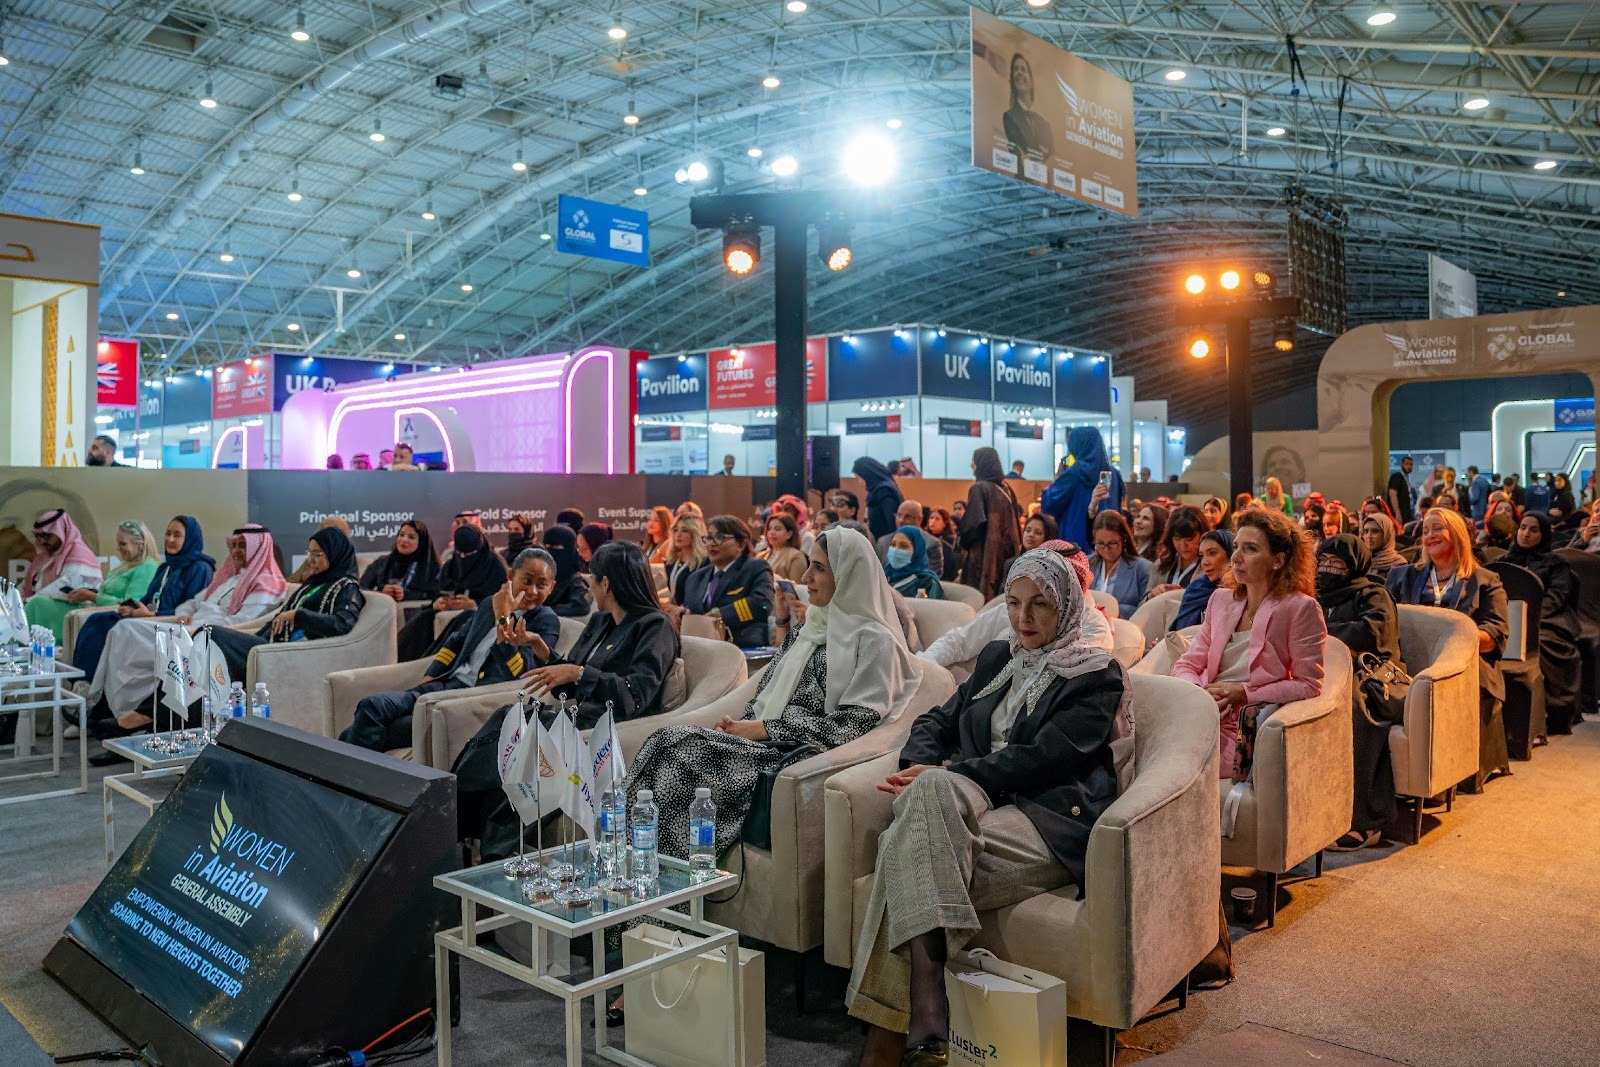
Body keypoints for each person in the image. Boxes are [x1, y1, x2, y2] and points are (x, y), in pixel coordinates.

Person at [847, 550, 1126, 1065]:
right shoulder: (999, 658)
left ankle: (890, 1036)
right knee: (928, 800)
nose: (1024, 618)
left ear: (1066, 606)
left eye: (1041, 604)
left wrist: (950, 774)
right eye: (1014, 603)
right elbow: (937, 720)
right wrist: (919, 767)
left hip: (1043, 819)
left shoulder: (1096, 673)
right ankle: (926, 1003)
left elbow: (1046, 760)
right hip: (968, 808)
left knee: (903, 852)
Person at [626, 527, 918, 867]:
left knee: (679, 749)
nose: (806, 576)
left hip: (796, 754)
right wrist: (740, 725)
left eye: (820, 568)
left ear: (850, 574)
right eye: (810, 564)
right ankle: (632, 875)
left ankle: (666, 887)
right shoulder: (814, 626)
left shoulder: (874, 640)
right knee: (663, 742)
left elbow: (857, 721)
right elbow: (770, 688)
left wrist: (765, 729)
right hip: (762, 741)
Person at [454, 542, 680, 857]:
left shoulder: (655, 626)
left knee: (529, 752)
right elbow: (570, 688)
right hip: (572, 719)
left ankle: (470, 828)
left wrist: (578, 673)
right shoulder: (601, 621)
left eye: (593, 578)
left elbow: (635, 695)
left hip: (605, 733)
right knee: (510, 718)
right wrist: (541, 650)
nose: (589, 586)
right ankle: (456, 810)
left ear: (607, 584)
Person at [341, 548, 563, 754]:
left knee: (355, 732)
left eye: (541, 585)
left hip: (471, 700)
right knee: (372, 706)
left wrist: (503, 617)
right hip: (444, 684)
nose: (533, 591)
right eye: (527, 581)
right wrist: (432, 673)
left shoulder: (545, 621)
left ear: (551, 587)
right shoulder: (489, 604)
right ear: (510, 576)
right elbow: (457, 641)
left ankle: (352, 785)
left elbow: (519, 672)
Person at [88, 526, 286, 742]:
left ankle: (133, 718)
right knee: (123, 629)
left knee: (134, 634)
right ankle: (111, 705)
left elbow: (242, 622)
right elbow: (192, 603)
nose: (236, 551)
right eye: (235, 545)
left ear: (259, 548)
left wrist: (195, 629)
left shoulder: (267, 582)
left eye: (243, 546)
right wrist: (183, 616)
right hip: (191, 627)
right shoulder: (229, 578)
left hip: (214, 634)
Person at [1172, 507, 1325, 778]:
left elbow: (1308, 685)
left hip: (1245, 728)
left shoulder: (1300, 608)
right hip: (1201, 712)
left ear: (1278, 560)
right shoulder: (1220, 600)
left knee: (1170, 766)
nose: (1236, 558)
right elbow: (1187, 664)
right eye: (1236, 547)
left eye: (1251, 549)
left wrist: (1244, 693)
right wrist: (1200, 695)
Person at [1386, 508, 1510, 792]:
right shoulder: (1402, 576)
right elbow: (1386, 621)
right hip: (1410, 661)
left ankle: (1445, 774)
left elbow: (1495, 634)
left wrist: (1452, 638)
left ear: (1455, 534)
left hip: (1466, 664)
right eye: (1425, 530)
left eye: (1437, 529)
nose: (1429, 536)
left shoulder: (1485, 580)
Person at [1312, 534, 1403, 851]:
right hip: (1321, 672)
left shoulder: (1372, 593)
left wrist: (1321, 636)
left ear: (1356, 564)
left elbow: (1372, 633)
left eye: (1337, 562)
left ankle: (1364, 820)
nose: (1328, 567)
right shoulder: (1315, 595)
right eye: (1323, 561)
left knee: (1353, 712)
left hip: (1369, 678)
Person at [921, 541, 1114, 671]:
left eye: (1040, 603)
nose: (1023, 617)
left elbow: (1080, 672)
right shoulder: (1009, 612)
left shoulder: (1093, 624)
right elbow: (961, 641)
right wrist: (924, 667)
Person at [207, 527, 365, 683]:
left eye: (317, 554)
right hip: (269, 646)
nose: (311, 560)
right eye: (310, 553)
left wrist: (298, 616)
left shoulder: (347, 587)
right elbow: (278, 619)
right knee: (207, 635)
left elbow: (343, 623)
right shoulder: (314, 583)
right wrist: (250, 639)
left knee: (212, 634)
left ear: (335, 553)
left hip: (288, 652)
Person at [71, 517, 215, 686]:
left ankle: (91, 685)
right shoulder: (165, 567)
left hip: (169, 623)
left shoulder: (200, 569)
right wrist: (131, 608)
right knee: (99, 620)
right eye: (168, 534)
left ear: (190, 538)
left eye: (177, 535)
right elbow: (147, 599)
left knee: (111, 627)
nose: (170, 539)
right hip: (147, 617)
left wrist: (152, 614)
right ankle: (83, 682)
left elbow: (191, 611)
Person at [1503, 511, 1582, 733]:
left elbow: (1556, 597)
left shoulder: (1556, 564)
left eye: (1533, 530)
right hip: (1509, 620)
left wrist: (1530, 619)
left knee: (1543, 644)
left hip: (1547, 620)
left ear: (1544, 534)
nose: (1526, 534)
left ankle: (1553, 710)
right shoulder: (1504, 561)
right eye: (1523, 528)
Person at [33, 519, 156, 650]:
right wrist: (88, 594)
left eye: (123, 544)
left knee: (40, 605)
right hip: (95, 609)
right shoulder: (125, 565)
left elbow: (132, 604)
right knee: (40, 603)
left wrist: (93, 596)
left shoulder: (147, 566)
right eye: (118, 544)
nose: (118, 549)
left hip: (110, 616)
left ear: (139, 544)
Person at [395, 525, 510, 660]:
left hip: (480, 613)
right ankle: (402, 662)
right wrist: (439, 602)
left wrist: (475, 604)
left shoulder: (495, 566)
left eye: (468, 555)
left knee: (465, 619)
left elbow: (504, 601)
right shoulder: (452, 565)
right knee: (423, 619)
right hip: (451, 610)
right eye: (459, 553)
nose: (462, 558)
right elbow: (439, 591)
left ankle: (435, 662)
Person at [672, 516, 774, 648]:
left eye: (720, 537)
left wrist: (719, 615)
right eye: (708, 537)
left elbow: (762, 604)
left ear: (741, 544)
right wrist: (683, 613)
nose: (711, 543)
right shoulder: (695, 578)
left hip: (741, 648)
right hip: (701, 648)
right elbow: (691, 608)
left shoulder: (755, 568)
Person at [20, 510, 104, 639]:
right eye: (39, 536)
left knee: (37, 604)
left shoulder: (79, 552)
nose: (42, 541)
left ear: (62, 530)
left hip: (75, 607)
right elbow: (30, 583)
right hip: (47, 605)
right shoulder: (45, 557)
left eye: (47, 535)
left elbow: (64, 588)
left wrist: (29, 601)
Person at [957, 446, 1024, 600]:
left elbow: (973, 525)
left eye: (973, 461)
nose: (971, 465)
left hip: (984, 557)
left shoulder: (978, 488)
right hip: (1004, 556)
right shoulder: (1007, 489)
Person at [1041, 426, 1121, 546]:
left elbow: (1049, 505)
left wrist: (1057, 479)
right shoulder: (1113, 474)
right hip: (1108, 540)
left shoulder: (1074, 473)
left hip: (1075, 541)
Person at [360, 520, 442, 603]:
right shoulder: (382, 563)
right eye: (401, 535)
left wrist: (406, 595)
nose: (404, 539)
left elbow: (436, 595)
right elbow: (360, 589)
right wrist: (381, 594)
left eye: (411, 537)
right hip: (384, 612)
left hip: (419, 613)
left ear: (421, 543)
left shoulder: (433, 567)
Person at [1089, 511, 1150, 619]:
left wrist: (1112, 609)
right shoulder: (1087, 564)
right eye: (1100, 543)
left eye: (1112, 543)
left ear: (1124, 539)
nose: (1106, 549)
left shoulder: (1142, 568)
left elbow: (1146, 609)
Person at [1171, 529, 1235, 630]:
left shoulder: (1242, 591)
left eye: (1212, 553)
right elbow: (1179, 632)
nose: (1205, 562)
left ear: (1231, 554)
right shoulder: (1195, 589)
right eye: (1201, 556)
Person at [1000, 50, 1054, 171]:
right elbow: (1020, 155)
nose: (1019, 72)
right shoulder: (1009, 117)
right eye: (1015, 69)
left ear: (1031, 81)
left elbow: (1051, 156)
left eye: (1023, 69)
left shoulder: (1044, 123)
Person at [1148, 504, 1208, 597]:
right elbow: (1142, 606)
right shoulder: (1160, 565)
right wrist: (1151, 595)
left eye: (1189, 539)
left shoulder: (1211, 567)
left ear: (1203, 535)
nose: (1183, 545)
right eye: (1177, 538)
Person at [661, 514, 710, 606]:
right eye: (675, 530)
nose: (678, 535)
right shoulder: (670, 561)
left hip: (693, 615)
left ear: (695, 533)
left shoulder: (705, 563)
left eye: (684, 530)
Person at [883, 526, 944, 600]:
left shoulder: (926, 582)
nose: (896, 550)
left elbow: (933, 609)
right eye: (893, 544)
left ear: (917, 551)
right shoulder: (884, 574)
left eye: (904, 546)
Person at [853, 457, 905, 542]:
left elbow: (892, 522)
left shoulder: (883, 491)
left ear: (866, 475)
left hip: (885, 544)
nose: (858, 483)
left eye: (858, 478)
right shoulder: (877, 491)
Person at [760, 512, 808, 584]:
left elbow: (797, 588)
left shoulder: (796, 556)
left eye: (777, 529)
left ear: (789, 534)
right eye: (769, 529)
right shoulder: (761, 556)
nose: (772, 532)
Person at [1360, 513, 1409, 582]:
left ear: (1387, 534)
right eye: (1366, 531)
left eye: (1375, 531)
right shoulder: (1360, 562)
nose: (1369, 536)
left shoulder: (1399, 564)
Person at [924, 507, 959, 582]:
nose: (933, 521)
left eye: (937, 519)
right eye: (931, 518)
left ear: (944, 523)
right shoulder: (924, 538)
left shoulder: (951, 541)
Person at [1388, 456, 1416, 526]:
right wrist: (1397, 513)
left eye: (1411, 464)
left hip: (1407, 515)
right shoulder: (1397, 477)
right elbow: (1392, 494)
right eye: (1407, 464)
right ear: (1401, 465)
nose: (1409, 466)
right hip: (1399, 515)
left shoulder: (1405, 479)